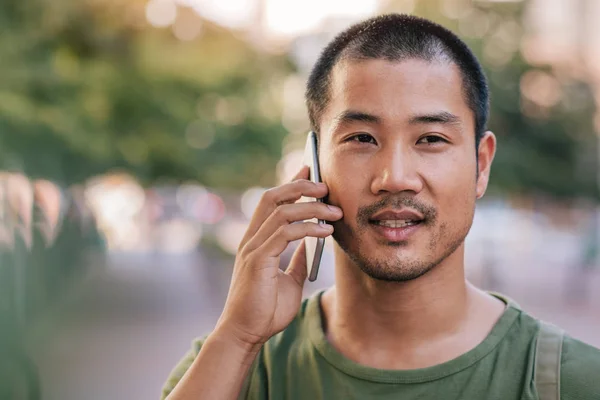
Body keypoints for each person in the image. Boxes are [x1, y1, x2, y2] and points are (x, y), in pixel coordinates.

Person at [161, 14, 600, 400]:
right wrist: (237, 337)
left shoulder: (575, 382)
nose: (394, 177)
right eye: (361, 139)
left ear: (480, 165)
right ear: (314, 166)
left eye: (431, 139)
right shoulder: (234, 367)